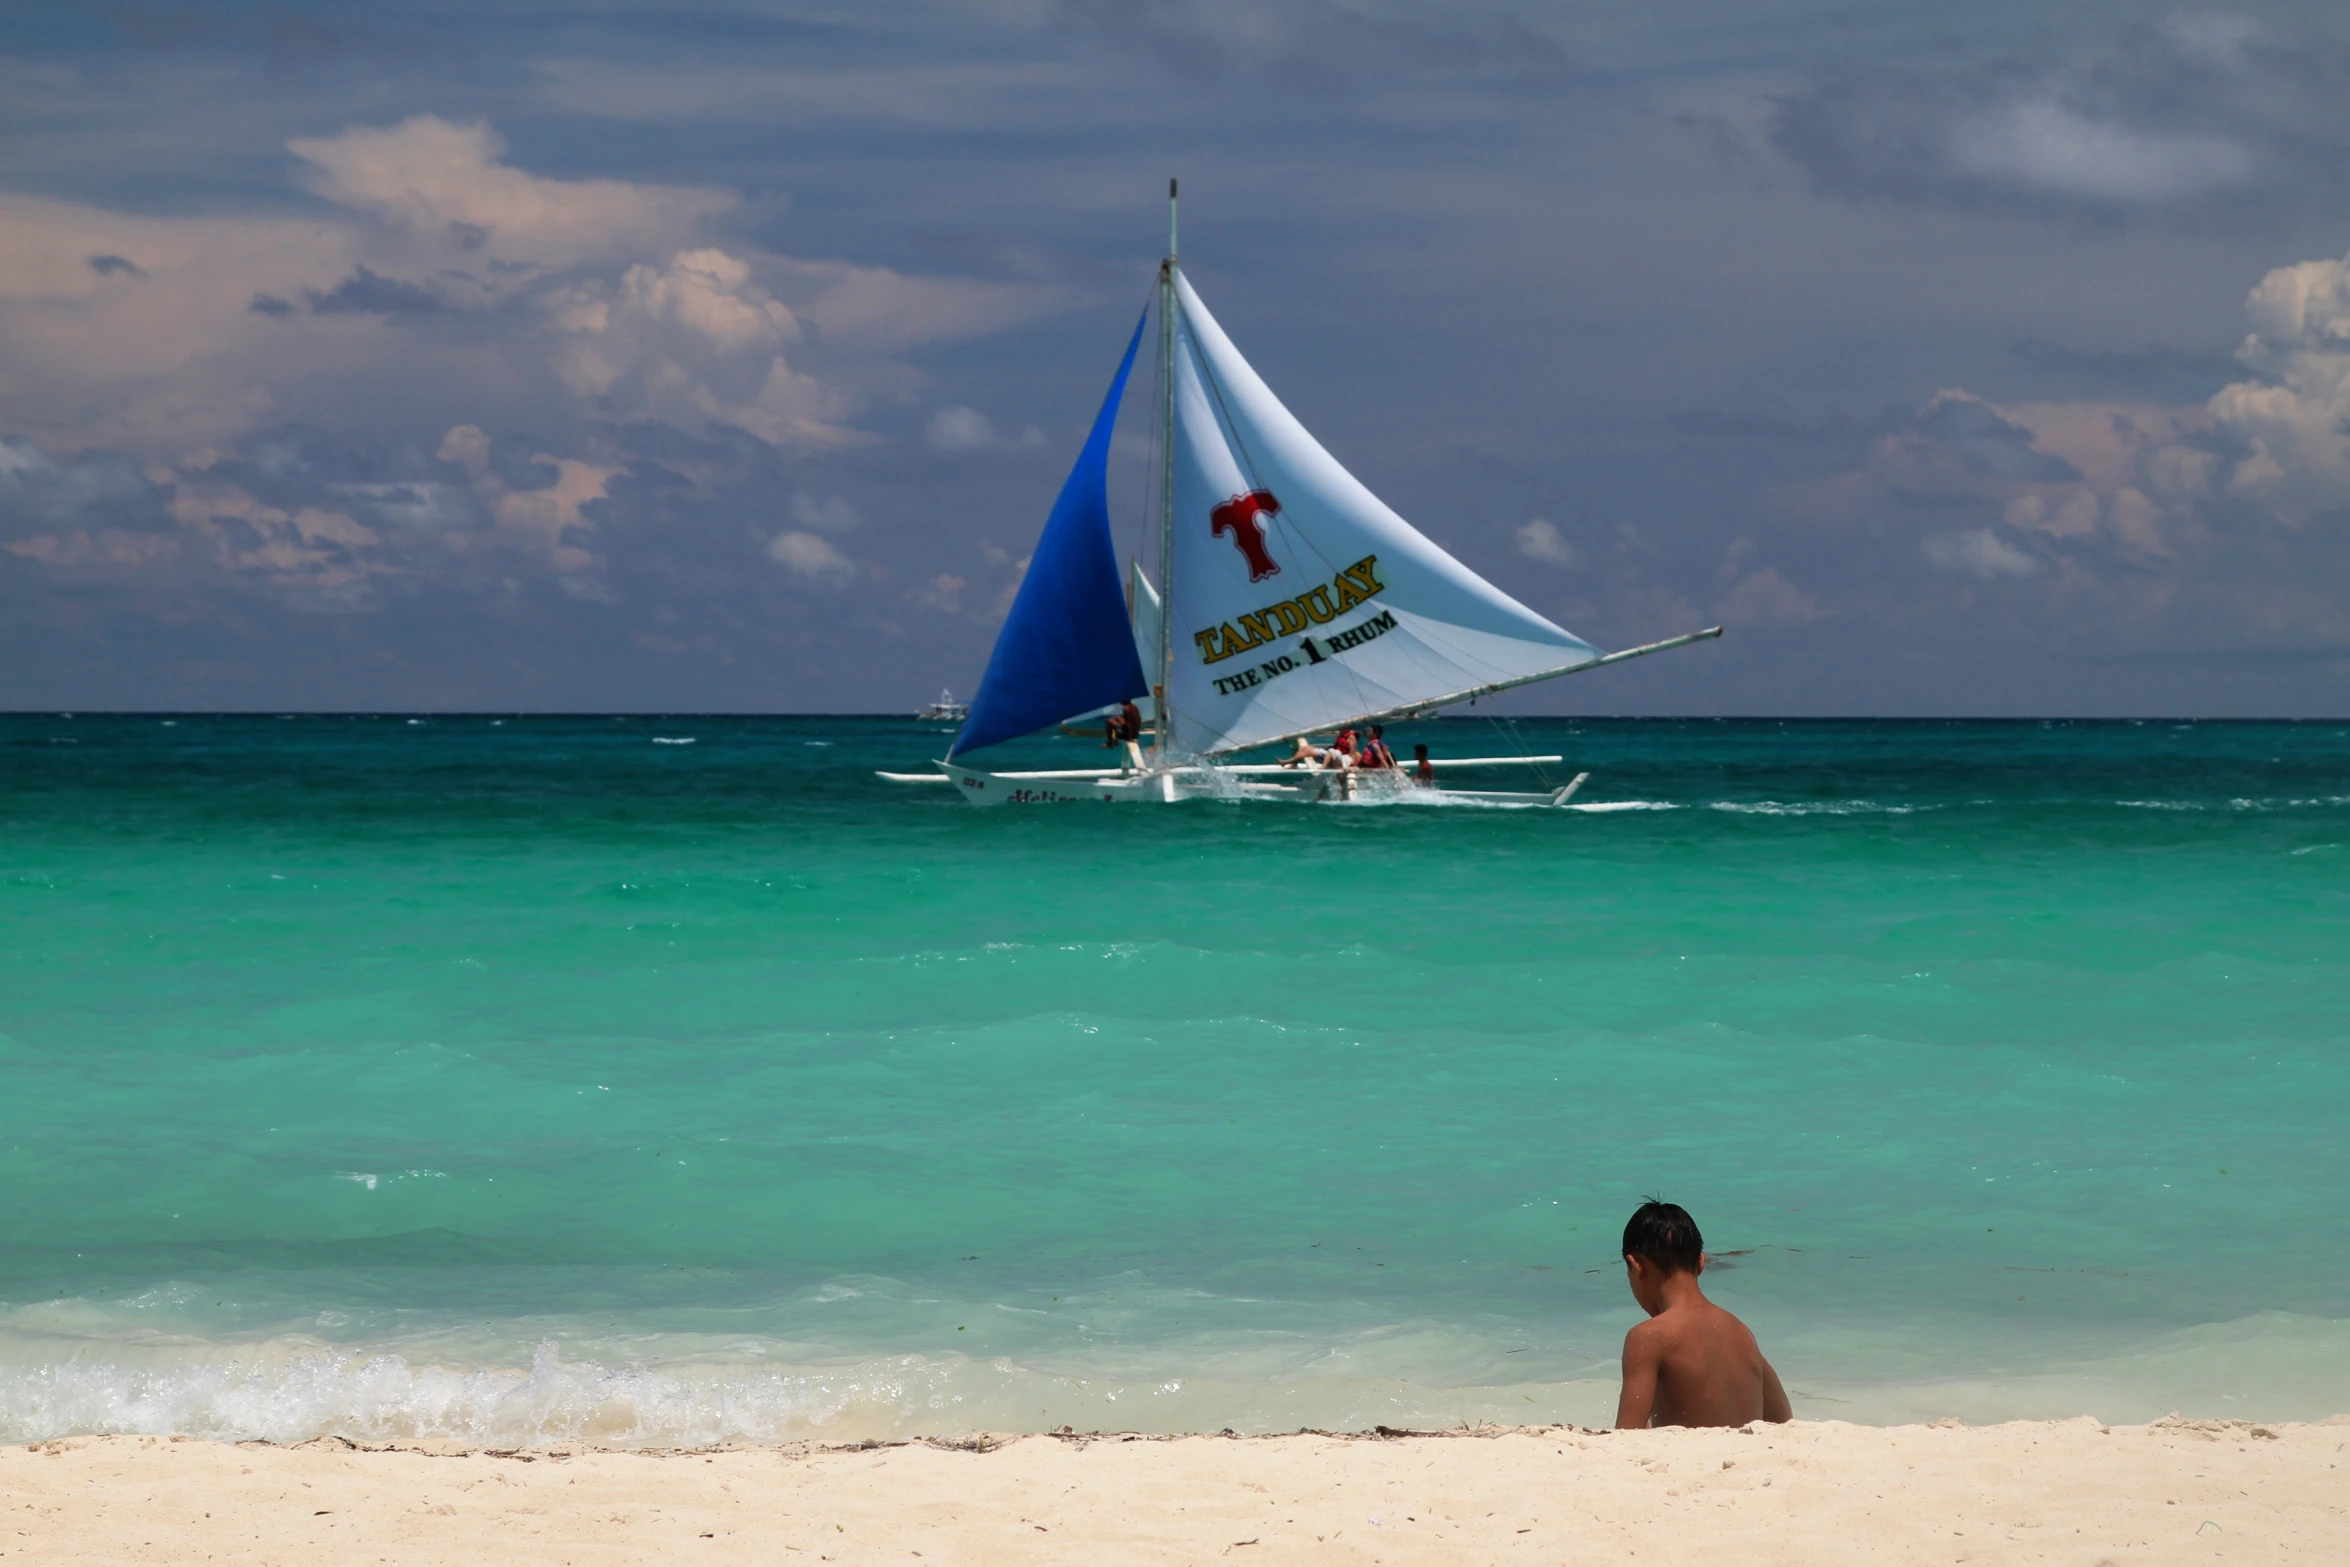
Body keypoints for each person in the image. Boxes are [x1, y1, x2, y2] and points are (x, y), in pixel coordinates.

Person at [1614, 1200, 1792, 1429]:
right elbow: (1783, 1421)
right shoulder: (1740, 1331)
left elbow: (1627, 1434)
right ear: (1701, 1262)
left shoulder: (1648, 1337)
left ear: (1636, 1265)